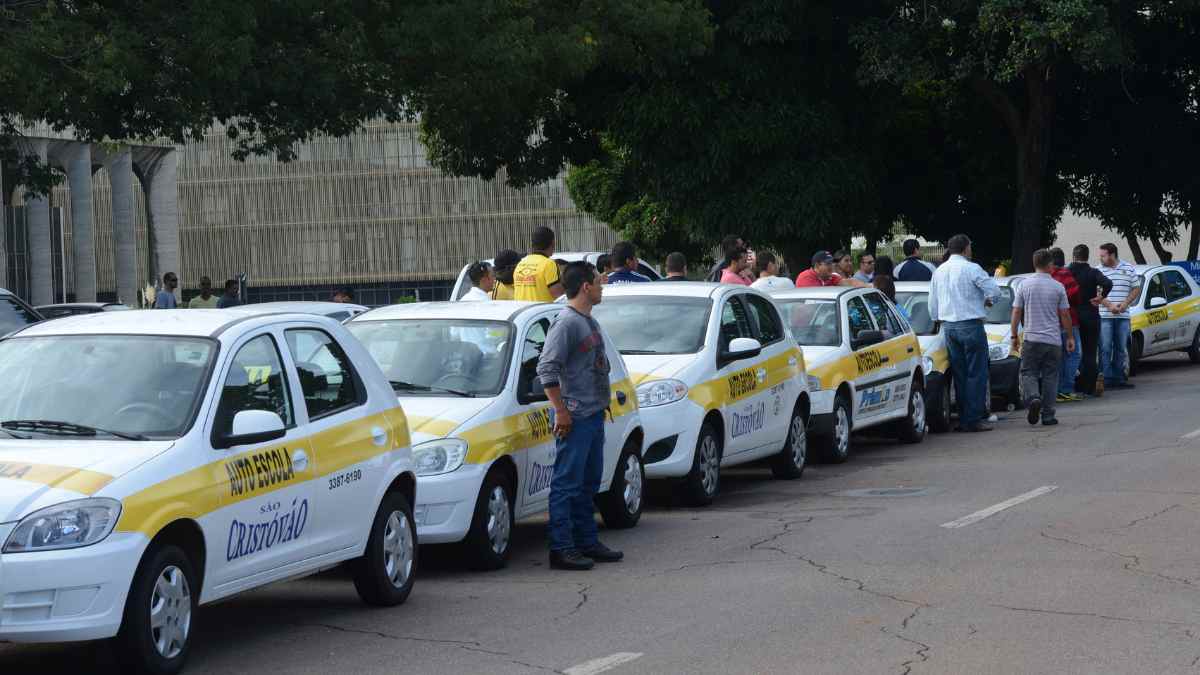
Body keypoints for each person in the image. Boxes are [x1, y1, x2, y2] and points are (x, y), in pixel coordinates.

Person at [535, 261, 622, 571]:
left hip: (593, 414)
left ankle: (587, 541)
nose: (601, 287)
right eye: (598, 282)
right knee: (567, 484)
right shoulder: (566, 324)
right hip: (575, 416)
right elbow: (547, 369)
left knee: (588, 483)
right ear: (585, 287)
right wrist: (561, 410)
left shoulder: (589, 321)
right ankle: (561, 548)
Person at [929, 234, 1002, 432]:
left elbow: (932, 304)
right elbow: (995, 291)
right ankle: (973, 418)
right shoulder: (972, 268)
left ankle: (964, 419)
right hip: (971, 325)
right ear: (965, 248)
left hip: (949, 327)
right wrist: (989, 302)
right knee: (976, 373)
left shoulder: (939, 271)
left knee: (959, 374)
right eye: (970, 247)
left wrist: (938, 319)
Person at [1012, 249, 1075, 426]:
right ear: (1050, 265)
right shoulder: (1058, 287)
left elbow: (1016, 311)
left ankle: (1033, 397)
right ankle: (1048, 415)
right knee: (1051, 376)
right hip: (1053, 340)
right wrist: (1070, 337)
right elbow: (1065, 314)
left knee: (1028, 372)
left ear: (1034, 264)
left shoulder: (1024, 285)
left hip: (1031, 339)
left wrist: (1014, 335)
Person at [1067, 244, 1112, 397]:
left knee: (1072, 352)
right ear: (1087, 257)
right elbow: (1108, 283)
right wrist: (1101, 297)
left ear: (1074, 256)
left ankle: (1073, 384)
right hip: (1090, 315)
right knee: (1090, 352)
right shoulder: (1093, 272)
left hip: (1072, 316)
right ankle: (1090, 386)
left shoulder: (1068, 272)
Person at [1097, 242, 1141, 390]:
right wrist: (1110, 305)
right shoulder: (1098, 270)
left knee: (1121, 348)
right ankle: (1106, 378)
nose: (1100, 258)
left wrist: (1125, 304)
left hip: (1123, 316)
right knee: (1105, 347)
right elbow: (1096, 293)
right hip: (1105, 316)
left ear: (1112, 255)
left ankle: (1119, 378)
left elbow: (1136, 288)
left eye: (1103, 255)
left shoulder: (1128, 268)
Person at [1049, 248, 1083, 402]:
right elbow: (1075, 296)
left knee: (1059, 358)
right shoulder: (1064, 274)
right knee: (1074, 354)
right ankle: (1066, 389)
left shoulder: (1046, 276)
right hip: (1068, 320)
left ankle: (1056, 391)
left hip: (1051, 322)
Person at [514, 226, 564, 302]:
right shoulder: (549, 264)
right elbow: (559, 296)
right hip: (541, 309)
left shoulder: (520, 264)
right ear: (553, 243)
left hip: (522, 309)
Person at [795, 251, 869, 287]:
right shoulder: (806, 277)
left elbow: (850, 282)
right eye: (828, 264)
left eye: (831, 263)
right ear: (817, 266)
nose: (832, 266)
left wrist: (869, 286)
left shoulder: (830, 277)